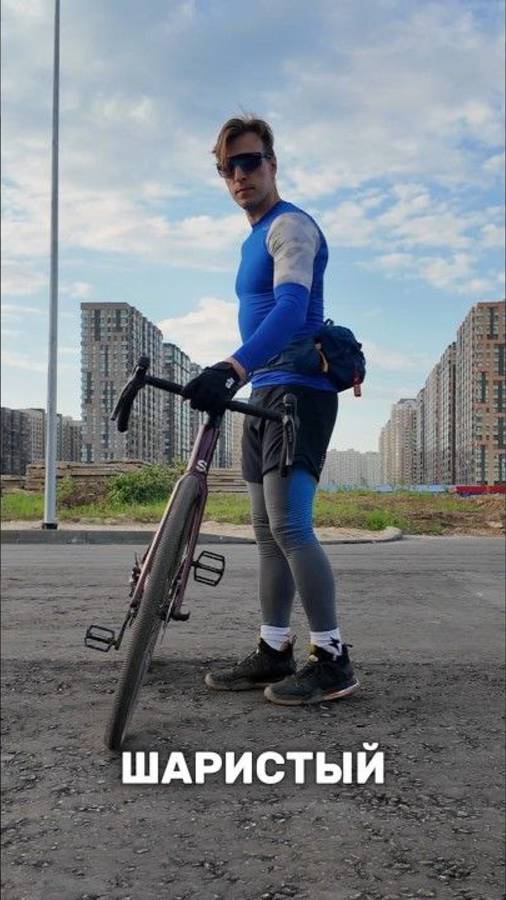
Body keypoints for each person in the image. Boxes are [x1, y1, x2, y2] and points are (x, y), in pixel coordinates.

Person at [182, 116, 359, 705]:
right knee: (264, 531)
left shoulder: (291, 227)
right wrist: (243, 375)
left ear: (272, 164)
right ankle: (274, 649)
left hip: (298, 394)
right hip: (264, 392)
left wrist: (232, 366)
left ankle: (332, 658)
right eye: (227, 168)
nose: (239, 175)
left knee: (290, 527)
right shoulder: (251, 239)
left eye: (249, 161)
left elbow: (290, 308)